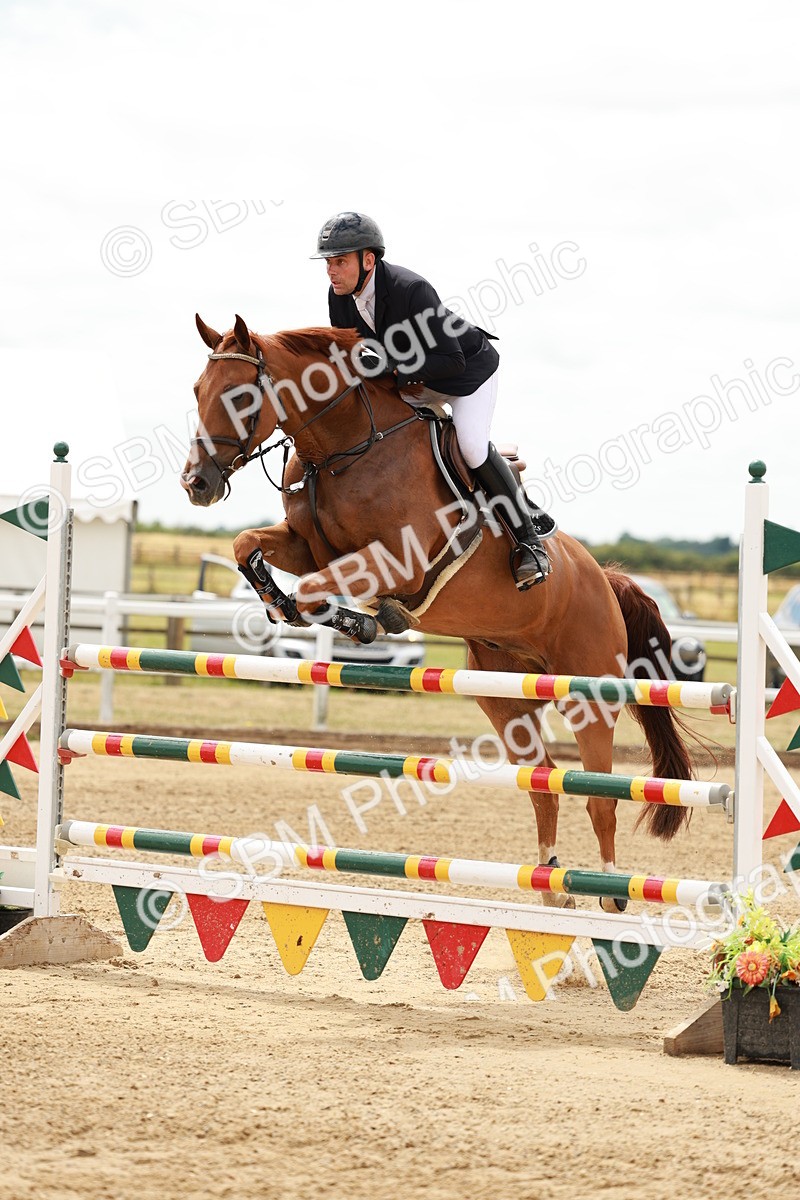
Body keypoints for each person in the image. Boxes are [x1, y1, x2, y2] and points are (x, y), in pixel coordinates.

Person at [311, 211, 551, 589]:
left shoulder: (411, 289)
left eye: (340, 261)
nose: (331, 271)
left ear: (368, 259)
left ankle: (529, 542)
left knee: (471, 447)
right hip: (415, 378)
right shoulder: (339, 298)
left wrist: (389, 364)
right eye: (328, 263)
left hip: (467, 374)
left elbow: (451, 359)